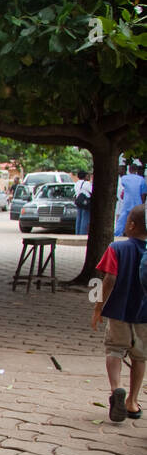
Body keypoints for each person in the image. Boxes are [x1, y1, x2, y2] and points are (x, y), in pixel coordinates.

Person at [91, 204, 147, 421]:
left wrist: (98, 308)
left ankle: (117, 389)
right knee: (140, 357)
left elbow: (107, 280)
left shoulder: (117, 248)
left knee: (114, 350)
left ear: (131, 226)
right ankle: (132, 401)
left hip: (118, 312)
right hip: (144, 316)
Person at [114, 161, 146, 237]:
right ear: (136, 170)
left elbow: (121, 190)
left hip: (126, 203)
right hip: (137, 203)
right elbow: (143, 194)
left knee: (122, 219)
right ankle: (138, 234)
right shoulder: (141, 179)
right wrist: (142, 204)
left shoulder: (124, 178)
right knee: (138, 220)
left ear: (129, 170)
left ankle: (117, 234)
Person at [73, 170, 92, 235]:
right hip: (85, 202)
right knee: (85, 218)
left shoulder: (76, 183)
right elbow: (91, 191)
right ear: (85, 176)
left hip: (79, 202)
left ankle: (77, 233)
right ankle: (82, 233)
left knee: (79, 218)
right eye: (87, 175)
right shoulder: (86, 183)